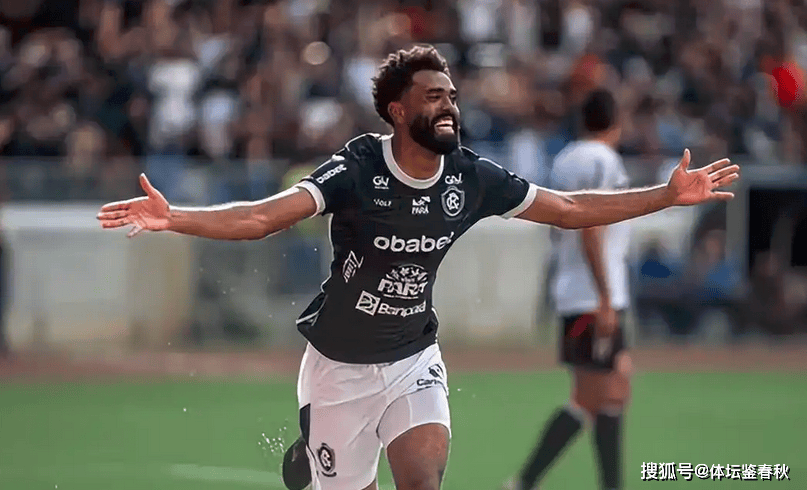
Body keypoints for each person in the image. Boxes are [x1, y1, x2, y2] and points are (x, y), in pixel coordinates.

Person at [97, 46, 740, 490]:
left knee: (423, 480)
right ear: (399, 111)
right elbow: (263, 217)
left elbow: (569, 208)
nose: (449, 105)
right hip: (338, 369)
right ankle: (313, 456)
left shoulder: (470, 177)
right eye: (433, 97)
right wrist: (173, 216)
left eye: (452, 95)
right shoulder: (357, 168)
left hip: (412, 358)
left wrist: (665, 195)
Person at [503, 89, 632, 490]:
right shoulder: (603, 160)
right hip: (591, 294)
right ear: (616, 121)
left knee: (616, 388)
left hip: (576, 288)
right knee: (591, 398)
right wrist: (605, 297)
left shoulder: (565, 159)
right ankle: (523, 481)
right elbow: (592, 226)